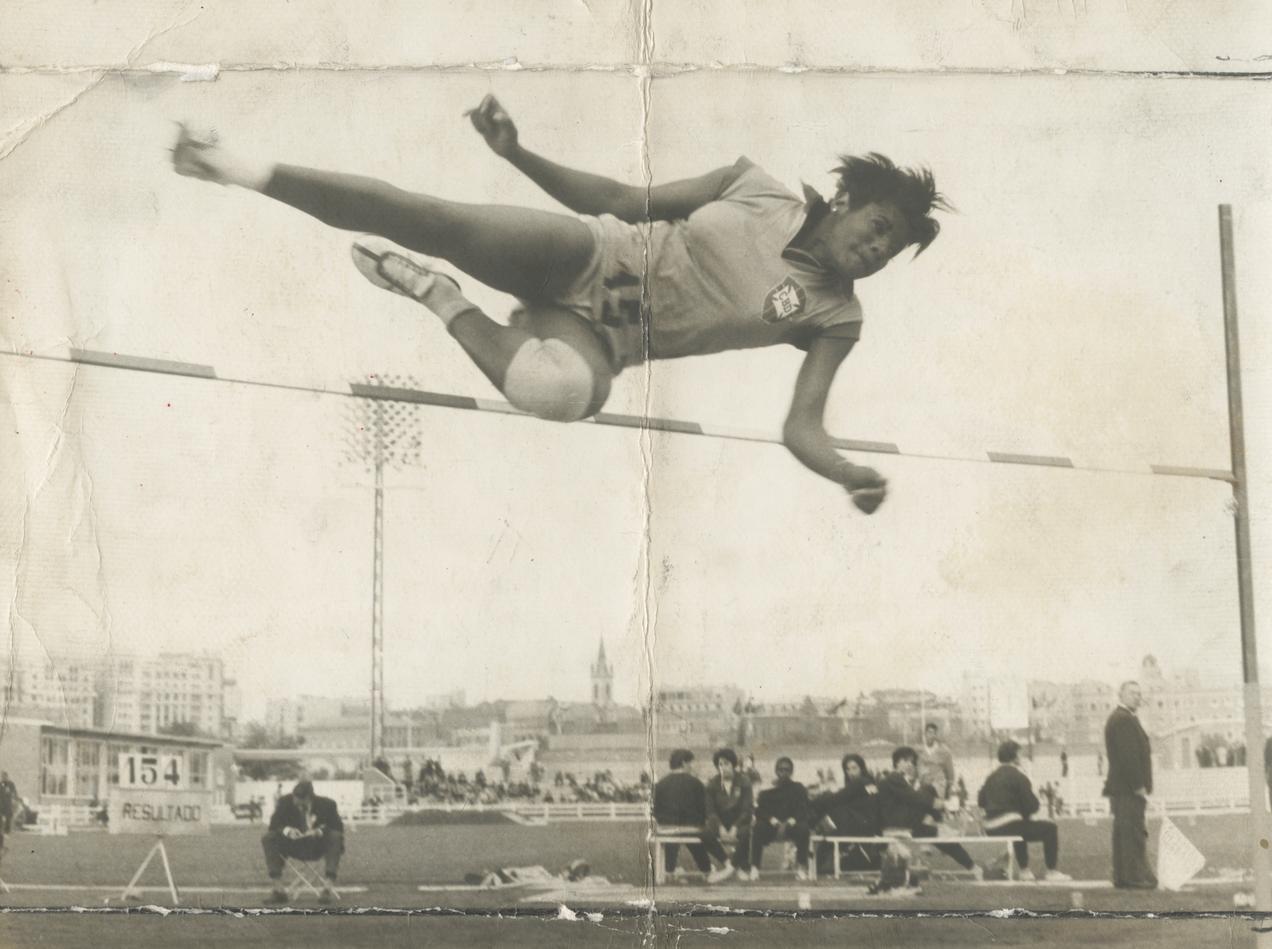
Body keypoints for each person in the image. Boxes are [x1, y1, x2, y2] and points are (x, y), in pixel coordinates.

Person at [171, 96, 950, 513]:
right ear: (849, 202)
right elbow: (620, 197)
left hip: (599, 335)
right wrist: (514, 152)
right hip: (589, 253)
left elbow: (801, 427)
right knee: (431, 218)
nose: (877, 251)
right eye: (879, 228)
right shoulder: (755, 187)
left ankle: (435, 296)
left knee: (559, 392)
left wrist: (848, 472)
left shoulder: (834, 315)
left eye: (891, 251)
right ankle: (230, 164)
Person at [877, 746, 981, 878]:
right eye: (906, 761)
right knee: (927, 791)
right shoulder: (894, 778)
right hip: (898, 823)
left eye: (912, 762)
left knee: (942, 838)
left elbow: (912, 799)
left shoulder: (900, 780)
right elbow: (914, 798)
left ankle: (973, 866)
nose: (910, 765)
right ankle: (972, 866)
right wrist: (941, 804)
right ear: (897, 762)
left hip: (905, 822)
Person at [978, 741, 1071, 882]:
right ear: (1014, 756)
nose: (1021, 757)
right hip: (1009, 826)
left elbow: (981, 801)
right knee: (1050, 829)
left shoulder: (991, 777)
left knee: (1019, 824)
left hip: (990, 827)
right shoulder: (1018, 776)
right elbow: (1032, 806)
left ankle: (1025, 870)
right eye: (1019, 754)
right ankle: (1051, 871)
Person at [1104, 681, 1157, 889]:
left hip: (1123, 788)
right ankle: (1132, 877)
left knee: (1126, 831)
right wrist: (1138, 785)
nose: (1137, 696)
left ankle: (1125, 876)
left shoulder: (1125, 718)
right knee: (1131, 832)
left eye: (1139, 693)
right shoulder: (1123, 720)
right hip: (1128, 788)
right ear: (1121, 695)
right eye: (1132, 693)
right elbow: (1129, 757)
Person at [261, 779, 345, 904]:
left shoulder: (327, 805)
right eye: (296, 802)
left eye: (302, 804)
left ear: (310, 798)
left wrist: (319, 831)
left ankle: (327, 889)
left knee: (336, 836)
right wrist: (288, 830)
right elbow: (273, 825)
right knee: (269, 838)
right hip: (293, 845)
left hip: (317, 846)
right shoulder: (285, 802)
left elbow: (338, 827)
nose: (299, 806)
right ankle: (279, 890)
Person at [651, 749, 726, 880]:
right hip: (691, 827)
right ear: (684, 763)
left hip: (665, 828)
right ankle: (708, 868)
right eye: (691, 763)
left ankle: (669, 870)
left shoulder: (659, 785)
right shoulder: (695, 783)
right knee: (697, 834)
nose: (692, 766)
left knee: (679, 832)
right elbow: (703, 808)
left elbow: (655, 810)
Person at [811, 752, 882, 873]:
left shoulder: (861, 782)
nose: (851, 772)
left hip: (863, 825)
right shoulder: (869, 783)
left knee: (832, 811)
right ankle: (816, 865)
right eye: (847, 769)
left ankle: (814, 864)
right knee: (831, 828)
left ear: (862, 768)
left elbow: (837, 798)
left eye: (854, 768)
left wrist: (814, 800)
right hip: (864, 824)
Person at [750, 757, 812, 880]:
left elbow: (805, 808)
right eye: (781, 770)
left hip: (791, 826)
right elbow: (759, 810)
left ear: (791, 772)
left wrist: (793, 819)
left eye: (787, 770)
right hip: (772, 826)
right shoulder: (767, 791)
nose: (784, 773)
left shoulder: (798, 788)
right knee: (758, 827)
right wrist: (771, 819)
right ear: (776, 771)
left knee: (804, 828)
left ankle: (801, 867)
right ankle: (755, 868)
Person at [703, 748, 754, 883]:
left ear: (733, 764)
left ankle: (731, 869)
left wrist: (735, 827)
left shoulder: (744, 781)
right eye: (720, 764)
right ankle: (729, 864)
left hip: (739, 821)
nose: (723, 767)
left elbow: (747, 809)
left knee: (745, 833)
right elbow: (710, 810)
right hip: (720, 822)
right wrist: (719, 826)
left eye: (726, 764)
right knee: (705, 833)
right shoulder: (713, 783)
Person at [918, 722, 956, 805]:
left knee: (937, 808)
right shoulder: (920, 751)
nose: (931, 735)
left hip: (938, 785)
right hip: (924, 784)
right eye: (929, 732)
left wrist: (950, 786)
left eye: (933, 733)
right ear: (925, 734)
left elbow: (950, 771)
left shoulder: (944, 751)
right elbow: (916, 769)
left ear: (936, 735)